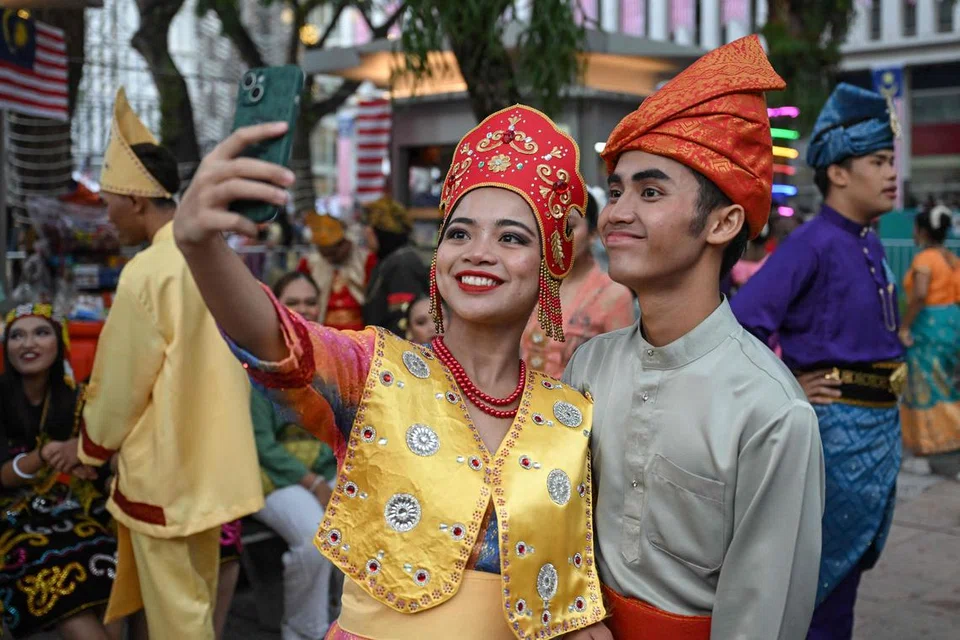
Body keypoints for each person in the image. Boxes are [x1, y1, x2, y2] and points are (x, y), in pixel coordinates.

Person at [173, 105, 609, 639]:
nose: (478, 253)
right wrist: (201, 246)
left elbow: (573, 606)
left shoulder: (570, 417)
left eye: (511, 238)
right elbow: (278, 339)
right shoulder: (375, 372)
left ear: (547, 264)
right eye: (459, 234)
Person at [564, 36, 825, 639]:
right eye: (619, 189)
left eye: (650, 193)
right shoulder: (588, 368)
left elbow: (763, 615)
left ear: (722, 222)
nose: (617, 213)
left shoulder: (771, 411)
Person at [76, 88, 263, 639]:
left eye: (109, 199)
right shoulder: (217, 254)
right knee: (195, 607)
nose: (105, 213)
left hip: (167, 473)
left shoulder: (147, 272)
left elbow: (119, 386)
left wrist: (92, 446)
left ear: (135, 200)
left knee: (180, 622)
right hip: (213, 469)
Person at [731, 82, 904, 640]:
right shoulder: (812, 243)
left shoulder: (867, 241)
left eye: (891, 161)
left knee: (844, 581)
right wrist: (789, 386)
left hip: (878, 435)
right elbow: (743, 322)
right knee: (816, 589)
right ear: (838, 172)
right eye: (878, 161)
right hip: (833, 438)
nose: (891, 174)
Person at [0, 304, 121, 640]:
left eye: (41, 333)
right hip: (10, 518)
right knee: (61, 580)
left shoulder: (80, 398)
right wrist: (45, 455)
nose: (28, 344)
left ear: (59, 341)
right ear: (6, 347)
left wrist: (90, 463)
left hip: (69, 509)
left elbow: (98, 464)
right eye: (17, 336)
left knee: (113, 565)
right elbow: (2, 478)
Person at [252, 270, 339, 640]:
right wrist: (316, 483)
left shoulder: (334, 358)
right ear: (275, 307)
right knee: (315, 540)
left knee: (367, 521)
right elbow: (260, 444)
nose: (303, 309)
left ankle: (345, 623)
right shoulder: (259, 359)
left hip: (326, 469)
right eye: (293, 302)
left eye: (309, 301)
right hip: (270, 475)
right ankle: (305, 632)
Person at [521, 194, 634, 378]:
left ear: (592, 234)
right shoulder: (533, 284)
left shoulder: (613, 294)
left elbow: (621, 374)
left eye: (569, 227)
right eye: (550, 225)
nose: (558, 236)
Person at [899, 205, 960, 462]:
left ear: (923, 231)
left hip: (928, 326)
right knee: (946, 379)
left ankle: (933, 440)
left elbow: (921, 294)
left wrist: (905, 327)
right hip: (950, 325)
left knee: (926, 382)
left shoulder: (924, 259)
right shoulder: (951, 259)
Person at [361, 196, 429, 335]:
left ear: (378, 232)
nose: (364, 233)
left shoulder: (401, 264)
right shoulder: (391, 260)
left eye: (367, 226)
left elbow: (401, 320)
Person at [305, 212, 375, 331]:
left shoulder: (366, 260)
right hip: (322, 329)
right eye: (326, 251)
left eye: (336, 248)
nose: (332, 255)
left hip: (361, 329)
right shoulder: (309, 263)